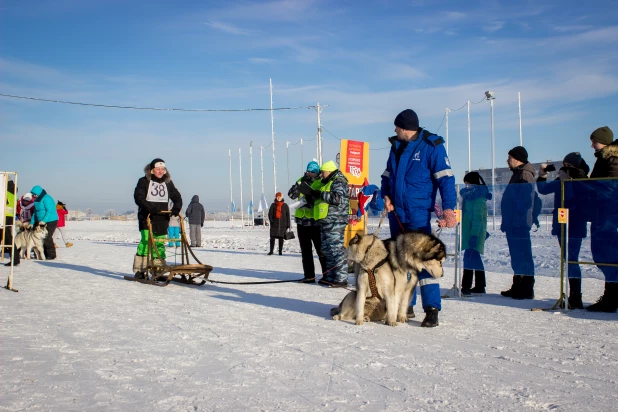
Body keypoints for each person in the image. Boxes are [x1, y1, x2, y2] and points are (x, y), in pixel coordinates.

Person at [380, 109, 457, 327]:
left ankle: (432, 309)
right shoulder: (395, 147)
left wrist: (449, 209)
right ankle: (407, 305)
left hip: (419, 215)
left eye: (397, 127)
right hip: (397, 215)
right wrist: (385, 196)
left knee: (425, 263)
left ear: (405, 128)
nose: (394, 130)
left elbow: (446, 179)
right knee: (401, 262)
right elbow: (386, 177)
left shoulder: (432, 146)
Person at [537, 152, 589, 309]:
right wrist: (542, 175)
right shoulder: (561, 180)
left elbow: (579, 200)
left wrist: (569, 180)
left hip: (575, 225)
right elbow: (543, 189)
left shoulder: (583, 180)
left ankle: (576, 296)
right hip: (561, 225)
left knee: (572, 259)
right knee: (568, 259)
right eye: (563, 165)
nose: (564, 168)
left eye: (568, 166)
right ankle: (572, 295)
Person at [299, 160, 350, 286]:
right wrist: (312, 196)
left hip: (335, 220)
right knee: (327, 250)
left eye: (323, 172)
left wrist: (319, 194)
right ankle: (330, 277)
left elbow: (336, 198)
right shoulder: (326, 183)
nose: (321, 174)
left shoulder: (339, 181)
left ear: (329, 171)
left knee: (336, 249)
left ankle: (341, 278)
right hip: (325, 221)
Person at [586, 126, 618, 312]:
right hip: (601, 212)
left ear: (604, 142)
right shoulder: (603, 158)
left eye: (594, 141)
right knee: (602, 256)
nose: (592, 145)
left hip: (608, 214)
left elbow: (611, 187)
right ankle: (611, 295)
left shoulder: (612, 159)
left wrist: (592, 187)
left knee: (607, 256)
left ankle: (611, 297)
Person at [133, 158, 182, 279]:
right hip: (147, 217)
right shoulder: (144, 181)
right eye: (158, 169)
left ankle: (158, 270)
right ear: (152, 170)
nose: (160, 171)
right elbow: (138, 197)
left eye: (162, 169)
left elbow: (177, 196)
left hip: (162, 218)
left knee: (159, 243)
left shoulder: (168, 182)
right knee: (146, 242)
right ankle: (140, 270)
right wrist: (150, 208)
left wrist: (176, 207)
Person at [500, 146, 536, 300]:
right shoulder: (518, 174)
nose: (507, 161)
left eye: (510, 158)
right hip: (513, 222)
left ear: (517, 159)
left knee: (523, 254)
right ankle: (518, 285)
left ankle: (526, 287)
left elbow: (525, 200)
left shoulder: (525, 175)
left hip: (519, 223)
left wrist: (515, 219)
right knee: (516, 254)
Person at [288, 160, 327, 283]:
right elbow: (291, 195)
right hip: (302, 222)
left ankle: (327, 276)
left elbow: (321, 197)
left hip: (315, 222)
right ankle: (309, 276)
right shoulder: (301, 180)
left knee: (321, 250)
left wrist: (311, 197)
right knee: (306, 250)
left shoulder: (321, 182)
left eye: (312, 172)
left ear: (317, 173)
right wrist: (299, 186)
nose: (310, 174)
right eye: (308, 171)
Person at [460, 172, 492, 295]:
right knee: (475, 258)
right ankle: (480, 285)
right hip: (469, 232)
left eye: (468, 184)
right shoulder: (469, 197)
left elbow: (478, 218)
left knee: (469, 258)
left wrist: (474, 235)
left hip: (474, 234)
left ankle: (466, 286)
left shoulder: (478, 199)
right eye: (465, 184)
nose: (466, 187)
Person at [30, 185, 59, 260]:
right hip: (41, 222)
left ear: (39, 193)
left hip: (51, 220)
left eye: (35, 194)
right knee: (39, 238)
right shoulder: (36, 200)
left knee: (47, 237)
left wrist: (44, 221)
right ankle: (42, 254)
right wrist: (31, 222)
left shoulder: (47, 198)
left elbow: (50, 211)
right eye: (33, 194)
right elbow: (35, 212)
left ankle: (51, 255)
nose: (34, 196)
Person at [2, 180, 17, 266]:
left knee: (7, 238)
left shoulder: (5, 191)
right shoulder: (13, 191)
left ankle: (15, 259)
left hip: (5, 216)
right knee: (7, 237)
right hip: (10, 215)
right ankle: (15, 258)